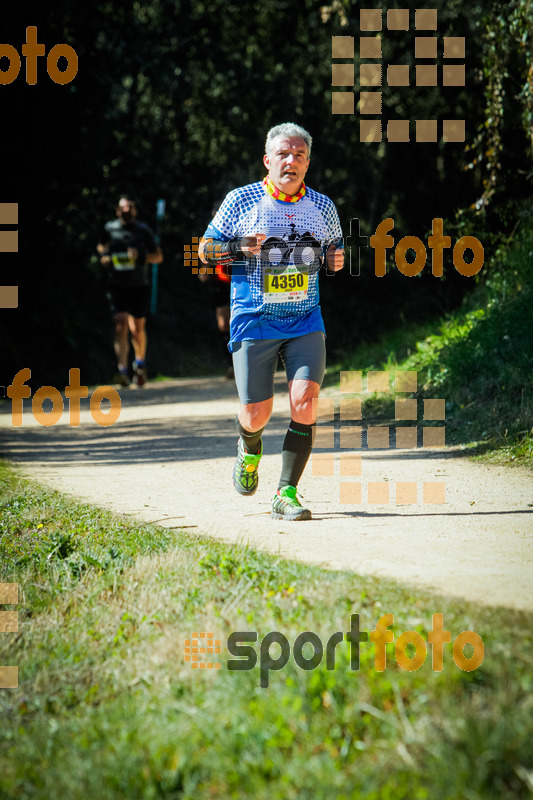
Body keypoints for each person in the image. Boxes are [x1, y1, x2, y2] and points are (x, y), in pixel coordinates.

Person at [199, 122, 344, 521]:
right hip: (254, 319)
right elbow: (204, 251)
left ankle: (286, 492)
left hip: (304, 319)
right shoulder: (241, 201)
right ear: (268, 160)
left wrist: (336, 258)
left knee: (305, 400)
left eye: (299, 155)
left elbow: (335, 249)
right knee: (256, 414)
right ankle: (248, 447)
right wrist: (236, 247)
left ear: (308, 162)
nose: (291, 161)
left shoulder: (322, 206)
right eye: (283, 154)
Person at [97, 195, 163, 386]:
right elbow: (102, 245)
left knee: (137, 328)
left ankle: (140, 365)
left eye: (130, 208)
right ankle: (122, 370)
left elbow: (158, 256)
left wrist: (141, 257)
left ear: (135, 210)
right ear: (117, 211)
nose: (126, 212)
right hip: (117, 284)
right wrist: (104, 256)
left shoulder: (142, 230)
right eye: (123, 209)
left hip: (138, 285)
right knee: (120, 324)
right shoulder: (110, 228)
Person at [197, 202, 234, 379]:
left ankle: (245, 363)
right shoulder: (208, 235)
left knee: (239, 322)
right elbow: (202, 271)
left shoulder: (240, 229)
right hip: (219, 285)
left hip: (241, 284)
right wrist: (204, 271)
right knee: (224, 324)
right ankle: (231, 364)